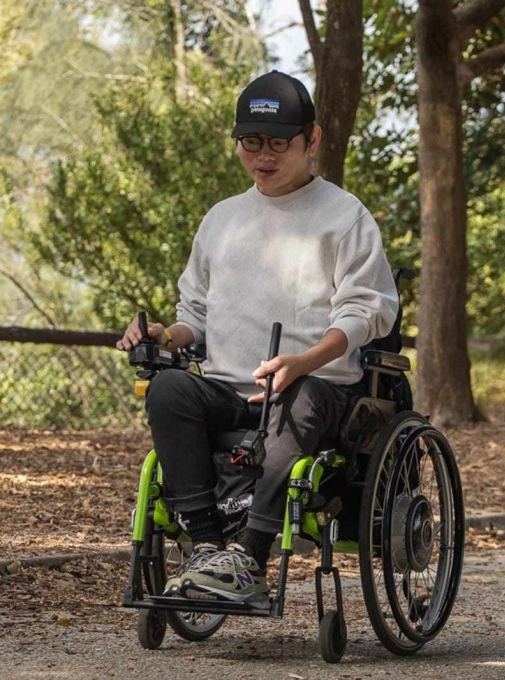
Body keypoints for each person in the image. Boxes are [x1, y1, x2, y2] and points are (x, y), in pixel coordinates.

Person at [116, 70, 399, 604]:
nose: (263, 156)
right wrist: (164, 333)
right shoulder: (222, 220)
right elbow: (194, 316)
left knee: (303, 395)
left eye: (278, 142)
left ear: (311, 140)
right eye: (251, 142)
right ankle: (205, 548)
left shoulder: (344, 217)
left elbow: (367, 312)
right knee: (170, 390)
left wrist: (304, 361)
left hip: (314, 389)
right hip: (227, 388)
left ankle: (250, 554)